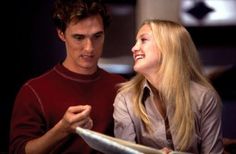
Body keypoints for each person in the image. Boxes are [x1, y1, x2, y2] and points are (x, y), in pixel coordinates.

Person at [9, 0, 126, 153]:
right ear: (61, 34)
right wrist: (62, 130)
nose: (89, 48)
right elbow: (19, 151)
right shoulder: (33, 91)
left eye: (97, 36)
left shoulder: (120, 86)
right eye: (79, 37)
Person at [113, 19, 223, 154]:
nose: (134, 48)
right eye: (136, 41)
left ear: (169, 46)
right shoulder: (125, 99)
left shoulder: (205, 97)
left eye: (144, 40)